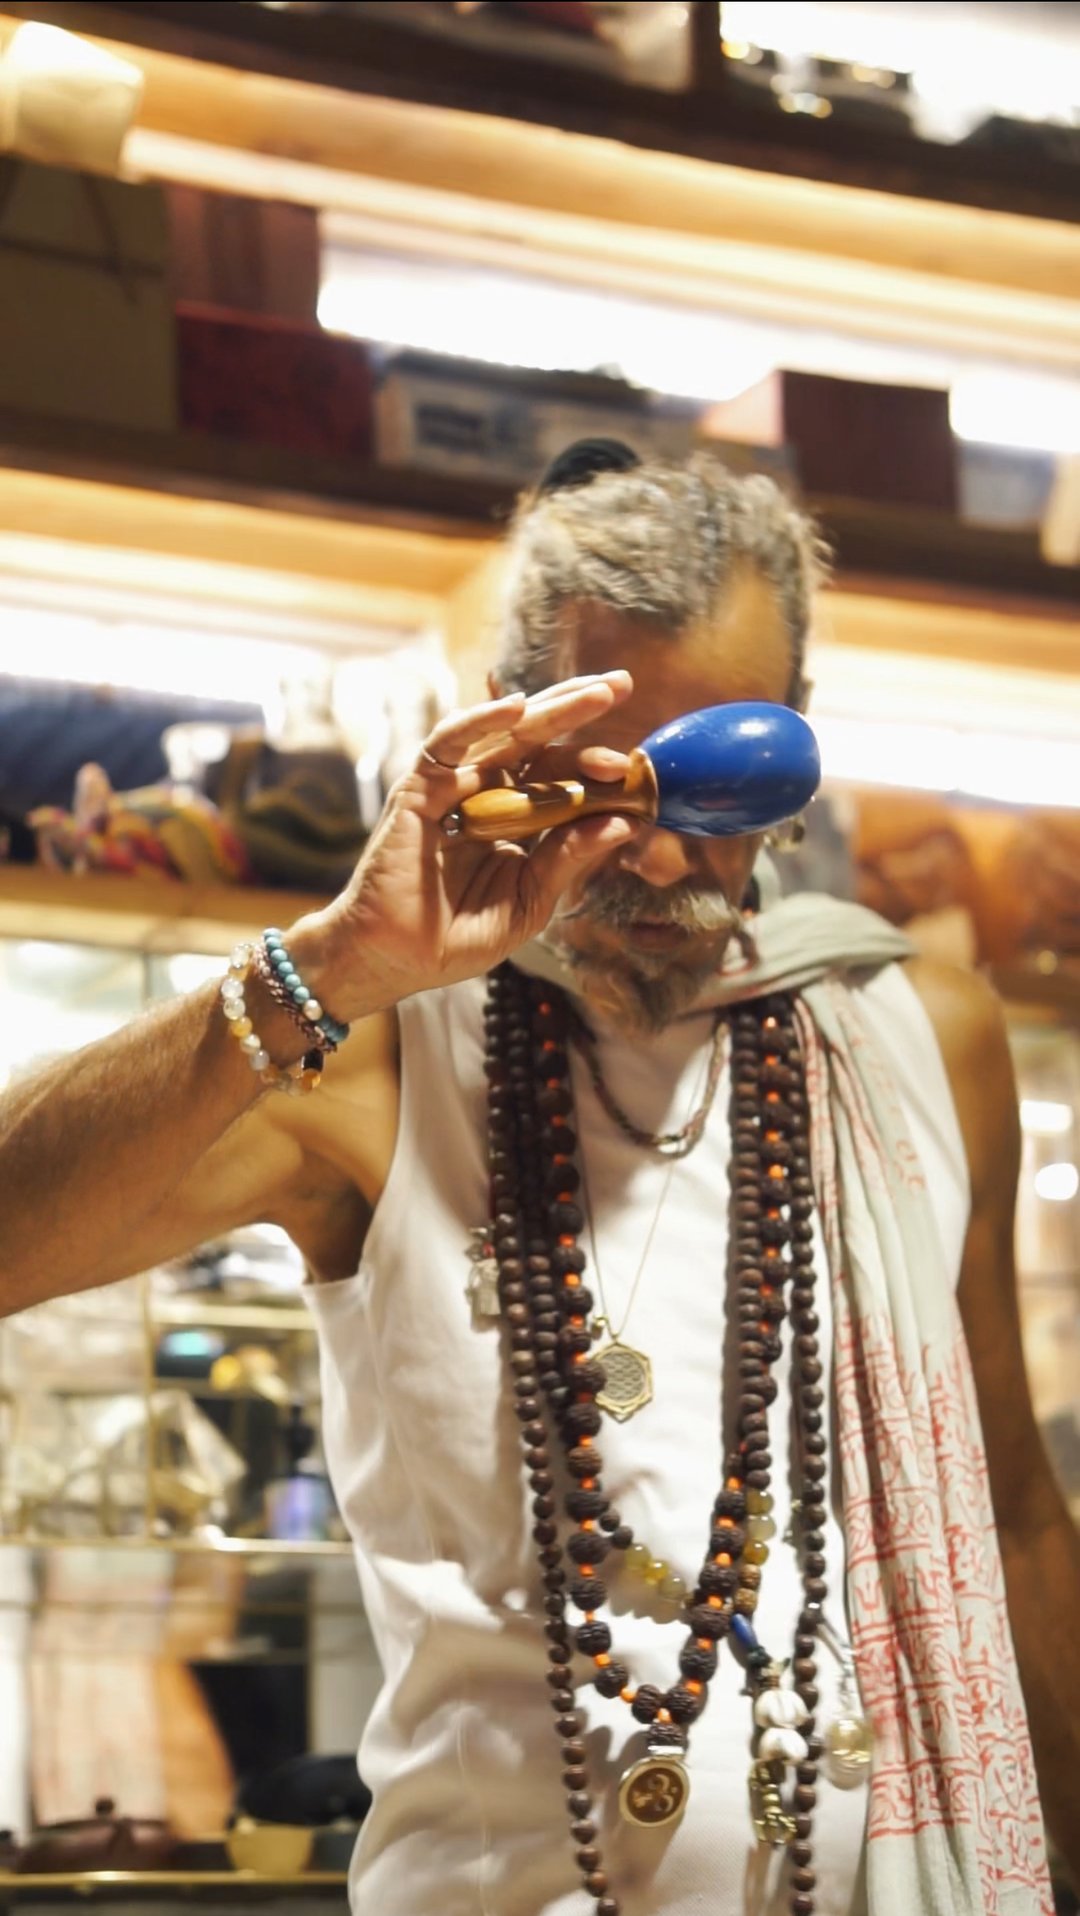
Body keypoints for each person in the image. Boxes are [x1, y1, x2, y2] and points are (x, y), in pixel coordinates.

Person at [1, 445, 1077, 1916]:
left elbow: (1013, 1512)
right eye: (601, 778)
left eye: (720, 779)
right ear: (510, 737)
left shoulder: (916, 1040)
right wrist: (331, 963)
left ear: (795, 739)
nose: (659, 853)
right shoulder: (375, 1060)